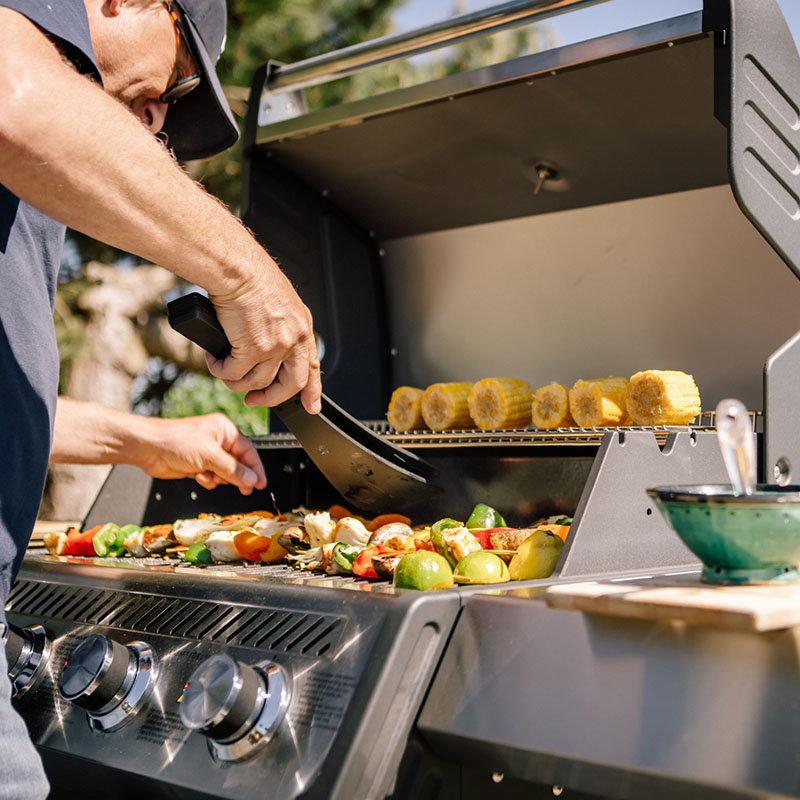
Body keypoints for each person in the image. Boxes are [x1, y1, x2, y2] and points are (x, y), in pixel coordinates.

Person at [0, 1, 322, 796]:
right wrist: (243, 272)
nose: (155, 126)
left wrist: (143, 441)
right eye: (175, 83)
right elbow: (14, 95)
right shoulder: (24, 64)